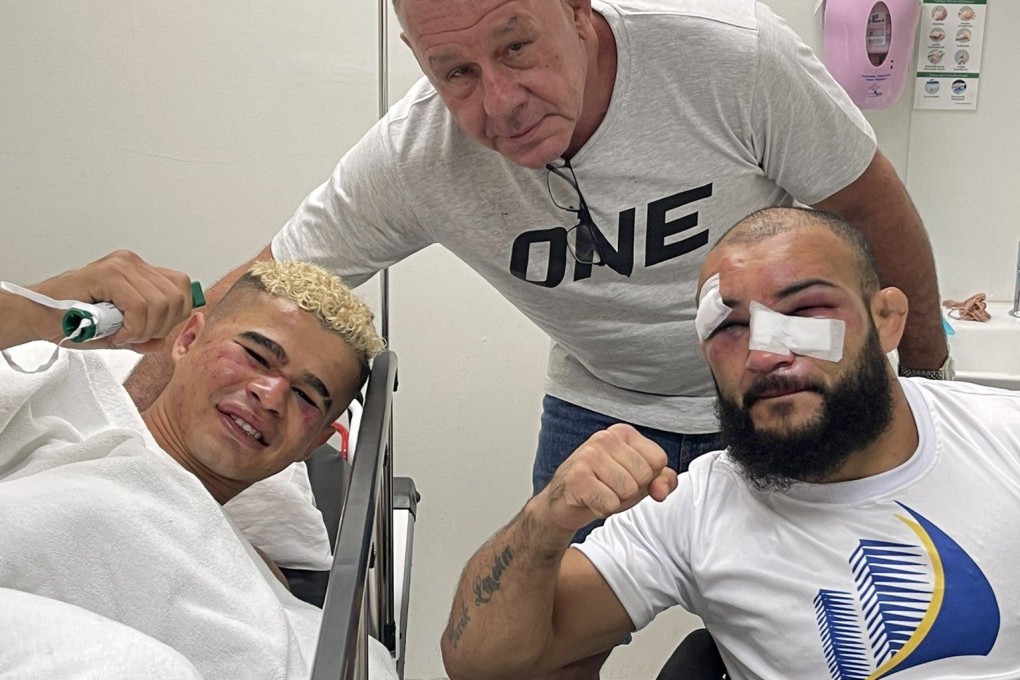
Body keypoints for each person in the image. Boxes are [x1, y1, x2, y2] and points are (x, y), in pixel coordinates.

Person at [126, 0, 949, 515]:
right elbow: (264, 286)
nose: (500, 104)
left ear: (578, 10)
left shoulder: (732, 56)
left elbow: (872, 207)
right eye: (456, 72)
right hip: (603, 405)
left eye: (516, 47)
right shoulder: (416, 155)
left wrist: (930, 390)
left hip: (777, 383)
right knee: (538, 636)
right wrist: (116, 436)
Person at [439, 207, 1020, 680]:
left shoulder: (1003, 434)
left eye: (805, 310)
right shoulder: (692, 508)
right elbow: (481, 663)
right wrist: (546, 519)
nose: (765, 352)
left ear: (887, 319)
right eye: (730, 327)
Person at [0, 252, 395, 679]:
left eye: (305, 396)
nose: (270, 396)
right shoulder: (55, 393)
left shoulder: (288, 623)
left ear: (314, 442)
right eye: (256, 356)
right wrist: (35, 308)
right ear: (187, 339)